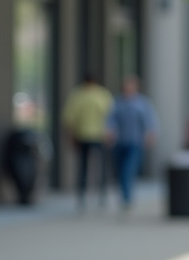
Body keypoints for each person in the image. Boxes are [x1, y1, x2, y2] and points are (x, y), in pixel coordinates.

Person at [104, 75, 159, 212]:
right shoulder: (118, 102)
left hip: (136, 143)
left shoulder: (142, 103)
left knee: (128, 169)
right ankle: (124, 195)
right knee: (120, 170)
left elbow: (150, 121)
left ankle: (127, 198)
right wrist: (109, 132)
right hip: (120, 142)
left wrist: (150, 135)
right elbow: (110, 119)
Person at [61, 72, 114, 209]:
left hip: (83, 135)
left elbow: (69, 119)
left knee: (83, 167)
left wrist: (71, 137)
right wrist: (110, 134)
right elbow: (110, 116)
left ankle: (82, 196)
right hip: (99, 135)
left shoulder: (78, 95)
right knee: (100, 167)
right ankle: (101, 195)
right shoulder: (102, 94)